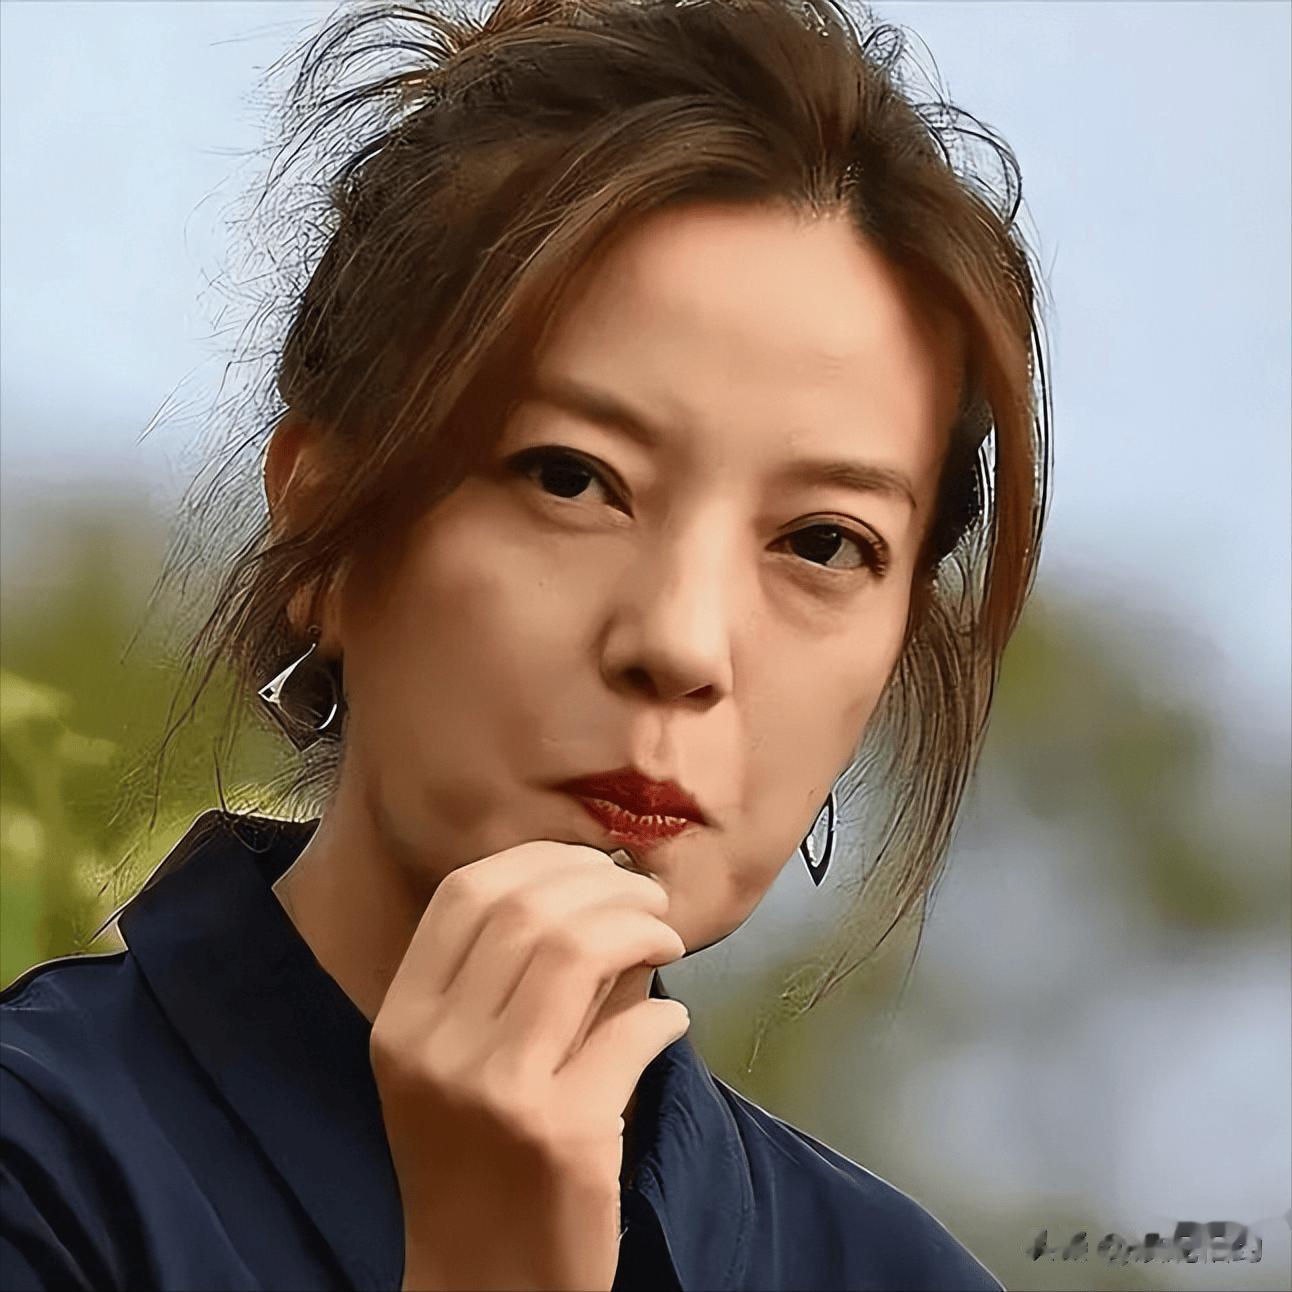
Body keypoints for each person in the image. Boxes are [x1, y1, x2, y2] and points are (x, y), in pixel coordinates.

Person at [1, 0, 1052, 1288]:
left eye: (824, 543)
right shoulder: (43, 1176)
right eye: (571, 478)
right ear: (324, 527)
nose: (681, 644)